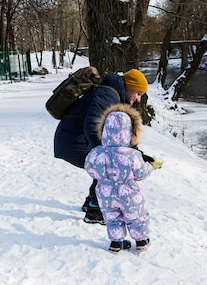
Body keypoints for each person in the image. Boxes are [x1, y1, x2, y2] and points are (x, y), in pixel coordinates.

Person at [53, 68, 149, 224]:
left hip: (73, 139)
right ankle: (94, 211)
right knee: (111, 167)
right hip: (73, 142)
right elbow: (91, 125)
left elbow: (117, 137)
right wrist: (107, 155)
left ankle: (91, 202)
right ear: (130, 87)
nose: (138, 99)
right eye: (138, 93)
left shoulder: (113, 95)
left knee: (108, 165)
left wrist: (137, 154)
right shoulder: (107, 96)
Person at [85, 104, 160, 253]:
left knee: (112, 217)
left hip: (105, 193)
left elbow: (90, 169)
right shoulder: (131, 154)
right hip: (129, 194)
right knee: (136, 216)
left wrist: (104, 176)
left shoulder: (97, 153)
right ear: (130, 132)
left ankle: (116, 243)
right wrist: (151, 166)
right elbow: (141, 173)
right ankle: (141, 241)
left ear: (105, 130)